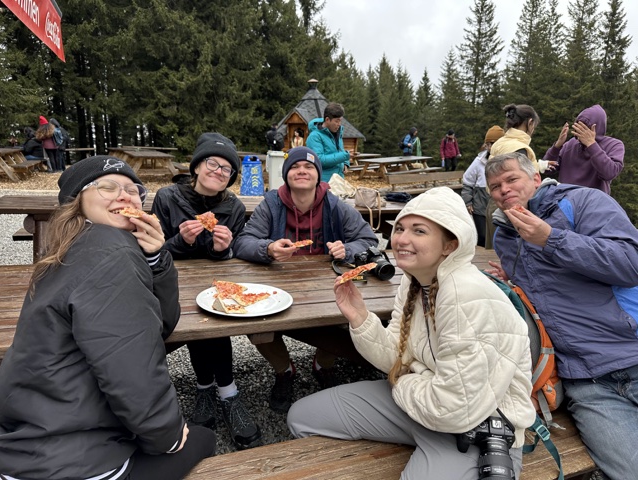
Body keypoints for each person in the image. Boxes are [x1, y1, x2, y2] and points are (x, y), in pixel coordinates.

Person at [287, 187, 536, 480]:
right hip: (424, 405)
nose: (402, 239)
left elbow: (453, 408)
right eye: (400, 228)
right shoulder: (415, 280)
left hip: (475, 426)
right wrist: (360, 318)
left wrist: (402, 378)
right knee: (303, 417)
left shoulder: (468, 296)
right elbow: (396, 356)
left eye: (419, 231)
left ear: (450, 245)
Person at [0, 156, 215, 480]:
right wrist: (167, 436)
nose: (125, 196)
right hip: (72, 463)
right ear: (77, 200)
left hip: (26, 438)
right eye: (108, 187)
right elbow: (132, 368)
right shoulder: (112, 253)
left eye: (133, 190)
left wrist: (156, 259)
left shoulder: (70, 248)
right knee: (204, 437)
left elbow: (161, 324)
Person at [484, 152, 638, 480]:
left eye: (512, 179)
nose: (504, 189)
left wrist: (551, 239)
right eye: (495, 186)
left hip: (631, 353)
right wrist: (513, 283)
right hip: (587, 383)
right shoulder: (504, 237)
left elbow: (630, 264)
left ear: (536, 179)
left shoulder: (583, 202)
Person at [233, 146, 378, 413]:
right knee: (255, 324)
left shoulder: (335, 205)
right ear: (286, 175)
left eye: (309, 167)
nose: (302, 171)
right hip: (279, 284)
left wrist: (347, 249)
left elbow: (368, 239)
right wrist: (268, 249)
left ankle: (323, 364)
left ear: (318, 175)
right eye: (295, 167)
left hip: (326, 286)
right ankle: (284, 370)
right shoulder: (271, 204)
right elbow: (243, 242)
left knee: (349, 315)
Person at [151, 132, 262, 450]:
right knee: (193, 314)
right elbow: (153, 252)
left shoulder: (234, 207)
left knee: (213, 316)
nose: (219, 171)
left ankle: (217, 391)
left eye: (227, 169)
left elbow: (231, 255)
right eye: (212, 163)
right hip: (170, 281)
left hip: (214, 282)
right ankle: (216, 389)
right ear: (197, 166)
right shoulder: (167, 197)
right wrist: (180, 241)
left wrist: (222, 249)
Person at [484, 104, 554, 249]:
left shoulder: (503, 142)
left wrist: (541, 165)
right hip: (511, 208)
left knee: (495, 253)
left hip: (495, 204)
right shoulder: (518, 147)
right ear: (530, 122)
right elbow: (515, 176)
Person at [544, 104, 624, 194]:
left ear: (596, 128)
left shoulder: (614, 145)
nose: (580, 133)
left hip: (592, 201)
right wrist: (557, 147)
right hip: (566, 199)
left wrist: (591, 145)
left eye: (585, 128)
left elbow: (609, 173)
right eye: (578, 128)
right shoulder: (571, 144)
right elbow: (547, 169)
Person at [461, 125, 504, 247]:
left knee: (499, 237)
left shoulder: (509, 159)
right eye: (488, 144)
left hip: (501, 205)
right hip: (480, 206)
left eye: (493, 143)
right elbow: (467, 181)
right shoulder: (479, 161)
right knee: (482, 237)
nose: (490, 147)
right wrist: (467, 201)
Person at [306, 103, 351, 182]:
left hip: (338, 180)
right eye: (336, 121)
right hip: (323, 182)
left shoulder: (338, 132)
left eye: (340, 121)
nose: (339, 124)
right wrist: (344, 156)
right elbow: (319, 160)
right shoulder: (314, 136)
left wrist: (345, 163)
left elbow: (340, 150)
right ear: (327, 120)